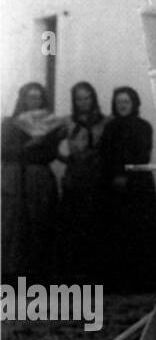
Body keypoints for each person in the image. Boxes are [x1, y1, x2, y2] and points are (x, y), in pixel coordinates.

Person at [100, 87, 156, 292]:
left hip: (138, 185)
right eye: (118, 102)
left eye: (126, 102)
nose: (122, 106)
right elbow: (105, 154)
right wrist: (115, 175)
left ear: (134, 104)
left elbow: (142, 153)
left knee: (141, 231)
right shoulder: (110, 127)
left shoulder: (143, 126)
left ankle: (143, 280)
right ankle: (119, 280)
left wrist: (125, 174)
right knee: (118, 231)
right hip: (114, 186)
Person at [1, 83, 63, 281]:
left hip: (38, 178)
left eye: (38, 98)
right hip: (14, 177)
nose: (34, 101)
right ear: (23, 99)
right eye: (30, 97)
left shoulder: (50, 123)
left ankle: (38, 274)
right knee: (13, 223)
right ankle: (11, 273)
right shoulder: (10, 123)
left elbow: (50, 154)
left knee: (40, 221)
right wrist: (29, 145)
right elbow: (4, 151)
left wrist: (35, 148)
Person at [55, 82, 107, 281]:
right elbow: (51, 144)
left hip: (98, 177)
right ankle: (74, 273)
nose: (83, 102)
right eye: (79, 98)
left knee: (95, 222)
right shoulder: (67, 122)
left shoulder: (105, 122)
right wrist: (64, 158)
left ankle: (96, 272)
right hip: (74, 178)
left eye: (87, 98)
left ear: (93, 98)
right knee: (72, 224)